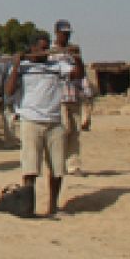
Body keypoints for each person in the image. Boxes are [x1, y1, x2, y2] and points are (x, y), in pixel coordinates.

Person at [7, 31, 74, 216]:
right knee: (30, 167)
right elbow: (9, 90)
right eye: (42, 48)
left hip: (54, 121)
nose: (45, 53)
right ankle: (28, 206)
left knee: (57, 169)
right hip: (31, 121)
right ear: (32, 48)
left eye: (47, 49)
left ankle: (53, 207)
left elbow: (77, 74)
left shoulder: (56, 65)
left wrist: (77, 56)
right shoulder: (24, 67)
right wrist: (15, 66)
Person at [51, 20, 86, 173]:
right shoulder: (50, 52)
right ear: (57, 33)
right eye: (63, 33)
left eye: (68, 33)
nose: (66, 36)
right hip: (59, 98)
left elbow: (81, 73)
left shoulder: (73, 51)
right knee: (62, 131)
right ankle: (59, 163)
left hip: (73, 96)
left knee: (74, 133)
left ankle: (74, 164)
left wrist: (77, 57)